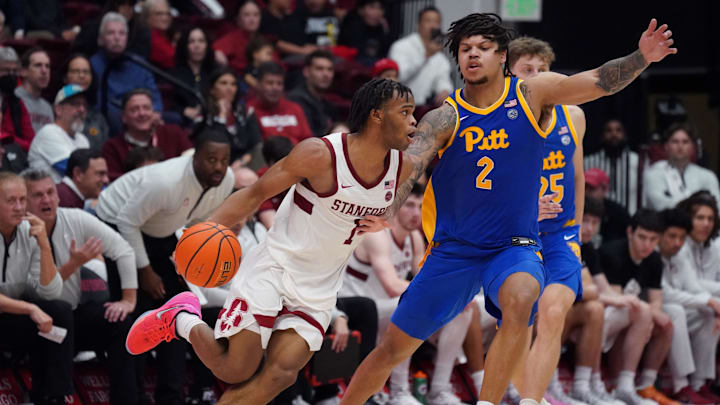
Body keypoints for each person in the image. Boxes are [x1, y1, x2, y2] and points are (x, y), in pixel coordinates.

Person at [339, 13, 676, 405]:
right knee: (393, 348)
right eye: (465, 49)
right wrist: (388, 209)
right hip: (455, 249)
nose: (472, 55)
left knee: (523, 294)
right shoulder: (445, 117)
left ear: (502, 56)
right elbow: (412, 164)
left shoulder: (532, 93)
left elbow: (599, 81)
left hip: (513, 245)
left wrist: (641, 57)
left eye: (482, 48)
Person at [124, 78, 416, 404]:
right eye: (405, 112)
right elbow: (254, 194)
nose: (413, 121)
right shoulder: (319, 154)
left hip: (319, 287)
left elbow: (403, 180)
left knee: (281, 375)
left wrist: (389, 214)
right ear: (377, 116)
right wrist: (196, 235)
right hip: (275, 267)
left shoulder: (402, 167)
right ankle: (180, 320)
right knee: (234, 369)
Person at [97, 127, 235, 405]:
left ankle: (170, 398)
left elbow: (199, 224)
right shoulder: (165, 181)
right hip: (117, 226)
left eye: (224, 159)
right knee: (132, 313)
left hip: (161, 231)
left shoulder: (226, 179)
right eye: (211, 159)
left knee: (179, 310)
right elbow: (126, 222)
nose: (218, 166)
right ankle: (128, 399)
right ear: (194, 157)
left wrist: (191, 259)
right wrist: (145, 270)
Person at [506, 35, 589, 403]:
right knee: (518, 323)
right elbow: (486, 190)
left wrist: (577, 235)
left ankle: (531, 401)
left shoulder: (573, 115)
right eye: (528, 70)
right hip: (518, 236)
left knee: (553, 313)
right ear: (511, 76)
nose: (539, 76)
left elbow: (578, 177)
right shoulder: (502, 122)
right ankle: (521, 391)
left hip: (560, 237)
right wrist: (525, 208)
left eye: (544, 69)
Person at [340, 183, 472, 405]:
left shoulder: (415, 238)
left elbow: (425, 280)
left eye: (420, 207)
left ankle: (440, 389)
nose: (416, 214)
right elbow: (392, 285)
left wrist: (450, 295)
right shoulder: (378, 236)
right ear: (395, 207)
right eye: (409, 205)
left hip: (386, 309)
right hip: (359, 311)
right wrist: (440, 294)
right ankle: (399, 391)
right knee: (411, 307)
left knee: (462, 311)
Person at [23, 168, 140, 405]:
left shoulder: (75, 218)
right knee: (58, 311)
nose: (46, 200)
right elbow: (40, 292)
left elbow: (124, 251)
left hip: (72, 316)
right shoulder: (17, 231)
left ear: (58, 196)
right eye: (37, 195)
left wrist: (128, 300)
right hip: (34, 321)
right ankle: (54, 397)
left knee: (120, 322)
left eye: (50, 192)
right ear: (24, 202)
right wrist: (73, 263)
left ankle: (128, 400)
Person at [0, 172, 73, 405]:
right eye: (11, 201)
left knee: (59, 311)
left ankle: (53, 397)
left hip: (10, 319)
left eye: (22, 200)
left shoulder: (29, 230)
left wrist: (44, 246)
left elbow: (50, 292)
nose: (19, 207)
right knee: (41, 314)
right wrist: (30, 308)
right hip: (11, 311)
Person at [598, 210, 677, 405]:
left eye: (653, 239)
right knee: (636, 313)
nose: (648, 245)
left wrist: (654, 315)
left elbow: (656, 300)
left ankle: (646, 385)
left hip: (632, 311)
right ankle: (618, 383)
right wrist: (649, 313)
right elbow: (616, 299)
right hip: (607, 311)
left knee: (667, 324)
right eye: (642, 237)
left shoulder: (654, 259)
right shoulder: (612, 253)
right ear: (629, 232)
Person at [659, 207, 720, 404]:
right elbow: (664, 294)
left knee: (709, 314)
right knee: (676, 311)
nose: (677, 243)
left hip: (675, 308)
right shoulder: (652, 253)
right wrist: (707, 300)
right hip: (654, 307)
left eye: (681, 238)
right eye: (672, 236)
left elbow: (693, 286)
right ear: (660, 234)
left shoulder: (678, 254)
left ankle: (698, 383)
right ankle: (680, 385)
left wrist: (713, 305)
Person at [91, 12, 163, 136]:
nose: (117, 37)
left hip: (143, 112)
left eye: (121, 33)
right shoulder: (93, 64)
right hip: (116, 116)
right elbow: (98, 103)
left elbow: (154, 95)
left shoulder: (139, 63)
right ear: (101, 39)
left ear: (127, 38)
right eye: (111, 33)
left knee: (174, 119)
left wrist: (155, 111)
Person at [102, 89, 192, 181]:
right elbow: (115, 183)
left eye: (146, 108)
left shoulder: (173, 133)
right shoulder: (112, 147)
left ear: (153, 113)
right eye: (134, 110)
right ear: (124, 117)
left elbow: (190, 161)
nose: (142, 113)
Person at [643, 123, 720, 210]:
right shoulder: (654, 173)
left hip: (703, 222)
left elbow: (717, 207)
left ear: (692, 147)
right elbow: (660, 205)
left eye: (685, 142)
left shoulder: (707, 176)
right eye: (675, 141)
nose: (680, 146)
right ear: (666, 146)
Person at [388, 6, 453, 106]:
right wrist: (426, 55)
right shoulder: (401, 46)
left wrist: (445, 90)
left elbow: (443, 81)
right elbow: (399, 76)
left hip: (425, 109)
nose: (433, 26)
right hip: (399, 106)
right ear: (418, 25)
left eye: (436, 22)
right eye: (428, 21)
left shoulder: (439, 57)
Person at [28, 84, 90, 183]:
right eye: (76, 104)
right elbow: (75, 172)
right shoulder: (49, 132)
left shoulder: (83, 139)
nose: (82, 109)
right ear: (58, 109)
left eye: (84, 105)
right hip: (46, 196)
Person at [204, 67, 262, 167]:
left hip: (245, 164)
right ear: (212, 89)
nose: (229, 88)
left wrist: (241, 162)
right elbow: (213, 147)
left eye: (233, 84)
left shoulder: (246, 112)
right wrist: (221, 117)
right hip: (216, 166)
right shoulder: (204, 116)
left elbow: (256, 145)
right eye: (223, 83)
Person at [247, 62, 313, 144]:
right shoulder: (249, 110)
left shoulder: (295, 108)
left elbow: (308, 141)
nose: (275, 88)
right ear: (258, 85)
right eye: (269, 83)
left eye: (279, 84)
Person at [584, 119, 640, 214]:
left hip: (630, 216)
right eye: (609, 131)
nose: (614, 134)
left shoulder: (637, 161)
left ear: (625, 135)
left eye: (618, 130)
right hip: (596, 218)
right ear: (602, 136)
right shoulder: (588, 162)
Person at [61, 54, 111, 152]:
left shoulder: (98, 117)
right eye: (76, 71)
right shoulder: (56, 109)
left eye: (86, 72)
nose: (81, 76)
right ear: (65, 77)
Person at [172, 27, 217, 122]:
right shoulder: (173, 75)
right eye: (191, 42)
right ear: (184, 46)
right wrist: (183, 110)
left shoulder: (216, 73)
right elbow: (168, 103)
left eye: (201, 41)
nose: (197, 46)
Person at [288, 50, 336, 138]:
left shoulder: (327, 104)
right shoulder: (296, 100)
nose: (326, 74)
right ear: (306, 71)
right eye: (319, 69)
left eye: (330, 69)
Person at [0, 46, 35, 152]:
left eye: (14, 71)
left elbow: (31, 142)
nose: (11, 74)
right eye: (6, 70)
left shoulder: (17, 102)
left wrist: (10, 139)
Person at [257, 135, 294, 229]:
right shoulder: (260, 182)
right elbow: (273, 227)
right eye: (283, 165)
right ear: (270, 164)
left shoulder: (302, 176)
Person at [214, 0, 263, 72]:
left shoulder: (264, 40)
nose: (252, 20)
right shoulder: (231, 38)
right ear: (237, 18)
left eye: (256, 15)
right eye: (247, 15)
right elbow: (214, 50)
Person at [586, 168, 631, 244]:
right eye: (584, 187)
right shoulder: (574, 208)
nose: (586, 192)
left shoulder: (618, 213)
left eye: (591, 188)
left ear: (604, 190)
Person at [338, 0, 391, 65]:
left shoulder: (383, 30)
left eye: (380, 8)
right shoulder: (351, 28)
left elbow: (385, 56)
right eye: (372, 7)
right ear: (361, 10)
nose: (377, 12)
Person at [15, 47, 53, 134]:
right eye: (38, 65)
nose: (44, 71)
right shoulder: (12, 99)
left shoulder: (48, 107)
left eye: (47, 66)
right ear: (23, 71)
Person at [142, 0, 175, 70]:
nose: (165, 18)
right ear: (147, 17)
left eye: (168, 14)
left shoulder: (167, 35)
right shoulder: (146, 38)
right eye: (159, 14)